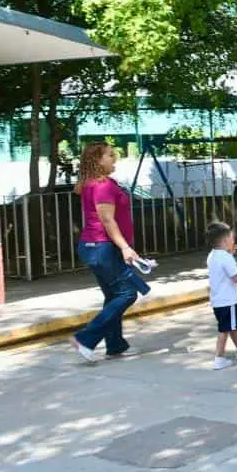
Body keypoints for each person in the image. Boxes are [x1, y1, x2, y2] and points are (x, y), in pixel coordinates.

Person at [70, 141, 150, 363]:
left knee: (113, 295)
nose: (114, 158)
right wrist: (125, 247)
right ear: (98, 160)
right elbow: (107, 219)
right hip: (102, 247)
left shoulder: (94, 183)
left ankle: (114, 344)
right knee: (127, 293)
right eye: (109, 155)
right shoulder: (103, 185)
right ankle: (85, 338)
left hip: (97, 247)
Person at [206, 221, 237, 370]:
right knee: (224, 329)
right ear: (225, 240)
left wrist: (231, 255)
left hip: (217, 299)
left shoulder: (213, 255)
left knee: (231, 326)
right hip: (228, 300)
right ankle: (219, 357)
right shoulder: (226, 258)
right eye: (232, 238)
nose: (234, 240)